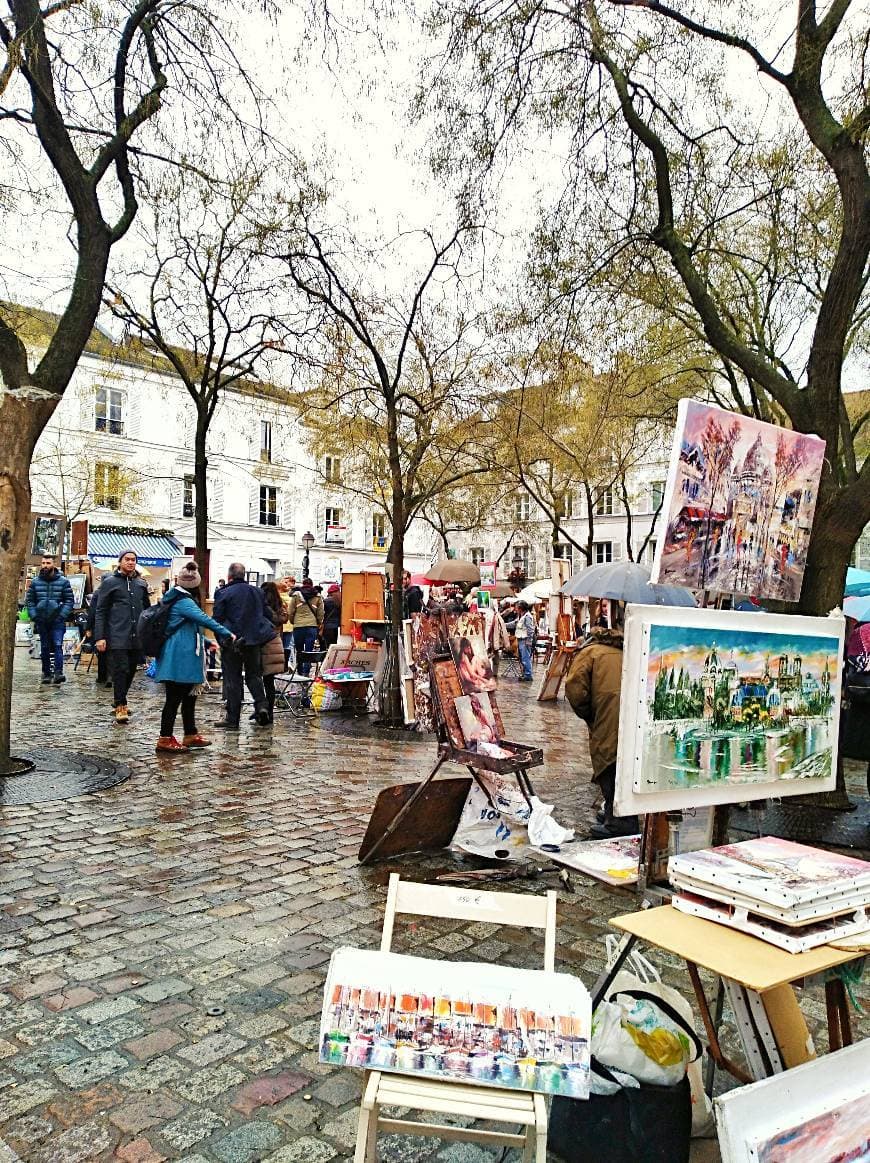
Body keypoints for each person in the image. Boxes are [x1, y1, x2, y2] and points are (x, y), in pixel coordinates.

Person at [565, 598, 638, 838]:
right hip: (632, 716)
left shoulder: (591, 652)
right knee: (626, 763)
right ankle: (616, 813)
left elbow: (575, 691)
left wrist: (589, 714)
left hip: (607, 715)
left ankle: (619, 822)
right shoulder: (629, 649)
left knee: (608, 763)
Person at [153, 562, 235, 752]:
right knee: (173, 698)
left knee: (189, 696)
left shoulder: (176, 598)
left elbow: (189, 629)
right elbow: (204, 619)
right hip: (179, 657)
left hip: (184, 654)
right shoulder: (184, 601)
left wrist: (207, 641)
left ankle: (190, 733)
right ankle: (165, 738)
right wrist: (226, 633)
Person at [213, 562, 274, 729]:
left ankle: (232, 719)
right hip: (253, 641)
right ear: (244, 575)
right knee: (254, 676)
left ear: (229, 576)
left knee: (233, 679)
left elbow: (217, 620)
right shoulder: (257, 592)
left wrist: (221, 641)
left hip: (232, 641)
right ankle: (261, 705)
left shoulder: (223, 593)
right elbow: (267, 614)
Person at [94, 549, 150, 723]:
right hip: (116, 633)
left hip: (136, 635)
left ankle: (120, 698)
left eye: (133, 560)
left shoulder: (141, 584)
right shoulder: (110, 583)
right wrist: (100, 636)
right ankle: (120, 705)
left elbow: (147, 610)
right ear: (120, 562)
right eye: (127, 559)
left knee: (132, 669)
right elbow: (101, 611)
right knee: (121, 669)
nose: (130, 562)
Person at [25, 555, 75, 686]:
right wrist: (34, 615)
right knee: (45, 647)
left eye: (48, 562)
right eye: (43, 563)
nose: (45, 565)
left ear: (54, 564)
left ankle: (58, 672)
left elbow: (69, 600)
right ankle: (46, 673)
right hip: (41, 619)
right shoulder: (35, 582)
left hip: (57, 619)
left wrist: (62, 615)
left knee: (58, 645)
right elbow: (30, 600)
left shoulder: (63, 582)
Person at [259, 581, 287, 722]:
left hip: (261, 645)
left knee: (257, 680)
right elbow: (283, 619)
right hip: (275, 645)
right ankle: (269, 712)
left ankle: (261, 709)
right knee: (269, 682)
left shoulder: (261, 607)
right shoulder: (280, 606)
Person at [287, 577, 324, 675]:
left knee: (299, 650)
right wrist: (318, 623)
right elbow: (321, 613)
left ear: (303, 584)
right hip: (311, 626)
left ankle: (299, 671)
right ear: (312, 585)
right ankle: (306, 673)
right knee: (309, 651)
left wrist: (293, 621)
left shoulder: (296, 596)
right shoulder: (317, 596)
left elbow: (290, 611)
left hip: (298, 626)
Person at [277, 575, 296, 668]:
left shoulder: (276, 599)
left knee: (279, 646)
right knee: (287, 646)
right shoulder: (291, 599)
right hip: (289, 625)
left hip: (279, 626)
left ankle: (279, 665)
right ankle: (287, 664)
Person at [514, 600, 535, 682]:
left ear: (520, 608)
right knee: (523, 658)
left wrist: (529, 641)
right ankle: (525, 673)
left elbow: (530, 630)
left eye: (516, 607)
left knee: (526, 658)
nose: (515, 608)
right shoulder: (521, 616)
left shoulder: (527, 617)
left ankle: (528, 675)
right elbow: (514, 623)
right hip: (521, 640)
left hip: (525, 640)